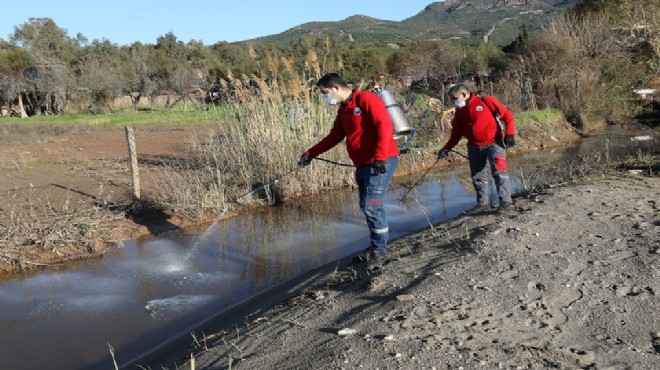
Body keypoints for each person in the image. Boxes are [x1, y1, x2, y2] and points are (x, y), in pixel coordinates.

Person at [298, 72, 400, 270]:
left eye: (325, 92)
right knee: (366, 205)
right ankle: (376, 246)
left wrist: (379, 157)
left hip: (380, 161)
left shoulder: (366, 99)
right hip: (363, 163)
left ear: (336, 88)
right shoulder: (344, 109)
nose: (325, 97)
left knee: (372, 205)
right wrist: (310, 153)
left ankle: (381, 251)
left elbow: (384, 127)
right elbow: (335, 136)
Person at [437, 84, 516, 213]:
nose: (453, 102)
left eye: (454, 98)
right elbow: (456, 134)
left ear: (463, 95)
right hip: (474, 147)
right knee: (477, 176)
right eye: (452, 99)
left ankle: (506, 203)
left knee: (499, 173)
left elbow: (507, 115)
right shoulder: (459, 112)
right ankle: (482, 204)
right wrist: (446, 148)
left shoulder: (486, 101)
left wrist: (510, 134)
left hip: (494, 144)